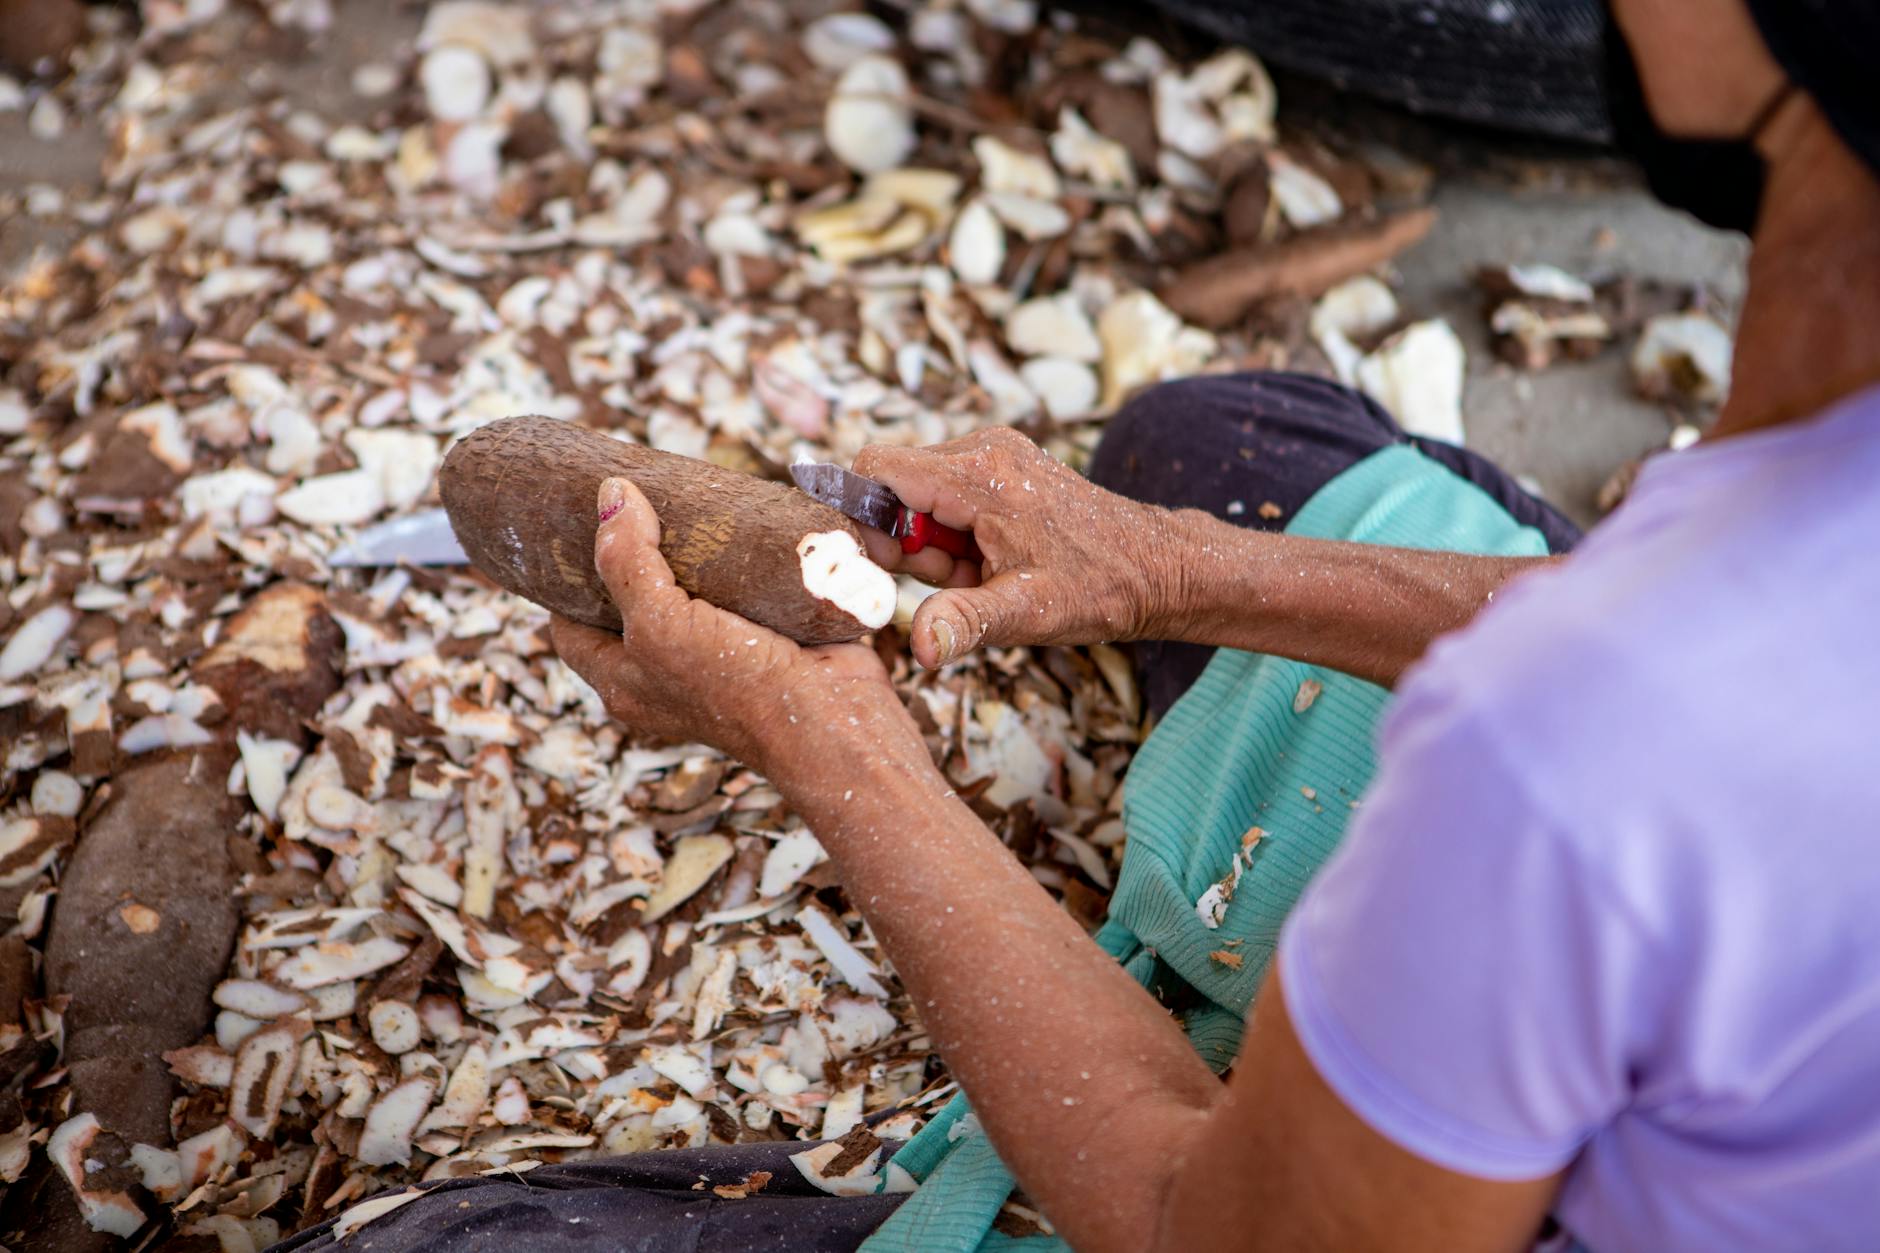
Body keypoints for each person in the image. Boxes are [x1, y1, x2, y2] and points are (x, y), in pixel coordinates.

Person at [278, 0, 1880, 1249]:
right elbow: (1668, 633)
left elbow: (1211, 1232)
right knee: (1220, 449)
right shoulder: (1742, 578)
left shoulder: (1574, 750)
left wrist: (834, 752)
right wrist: (1169, 564)